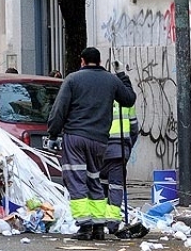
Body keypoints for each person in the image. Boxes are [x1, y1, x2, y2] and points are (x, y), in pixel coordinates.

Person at [47, 47, 136, 241]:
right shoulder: (111, 80)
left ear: (82, 61)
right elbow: (129, 100)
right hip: (99, 141)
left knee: (76, 179)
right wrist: (122, 75)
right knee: (94, 179)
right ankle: (98, 226)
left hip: (76, 136)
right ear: (99, 60)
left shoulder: (73, 79)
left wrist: (53, 133)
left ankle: (85, 226)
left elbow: (60, 108)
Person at [100, 95, 139, 235]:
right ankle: (113, 222)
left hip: (100, 149)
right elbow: (134, 128)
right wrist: (128, 148)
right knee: (116, 186)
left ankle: (99, 221)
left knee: (100, 185)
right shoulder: (127, 100)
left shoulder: (99, 96)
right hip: (119, 150)